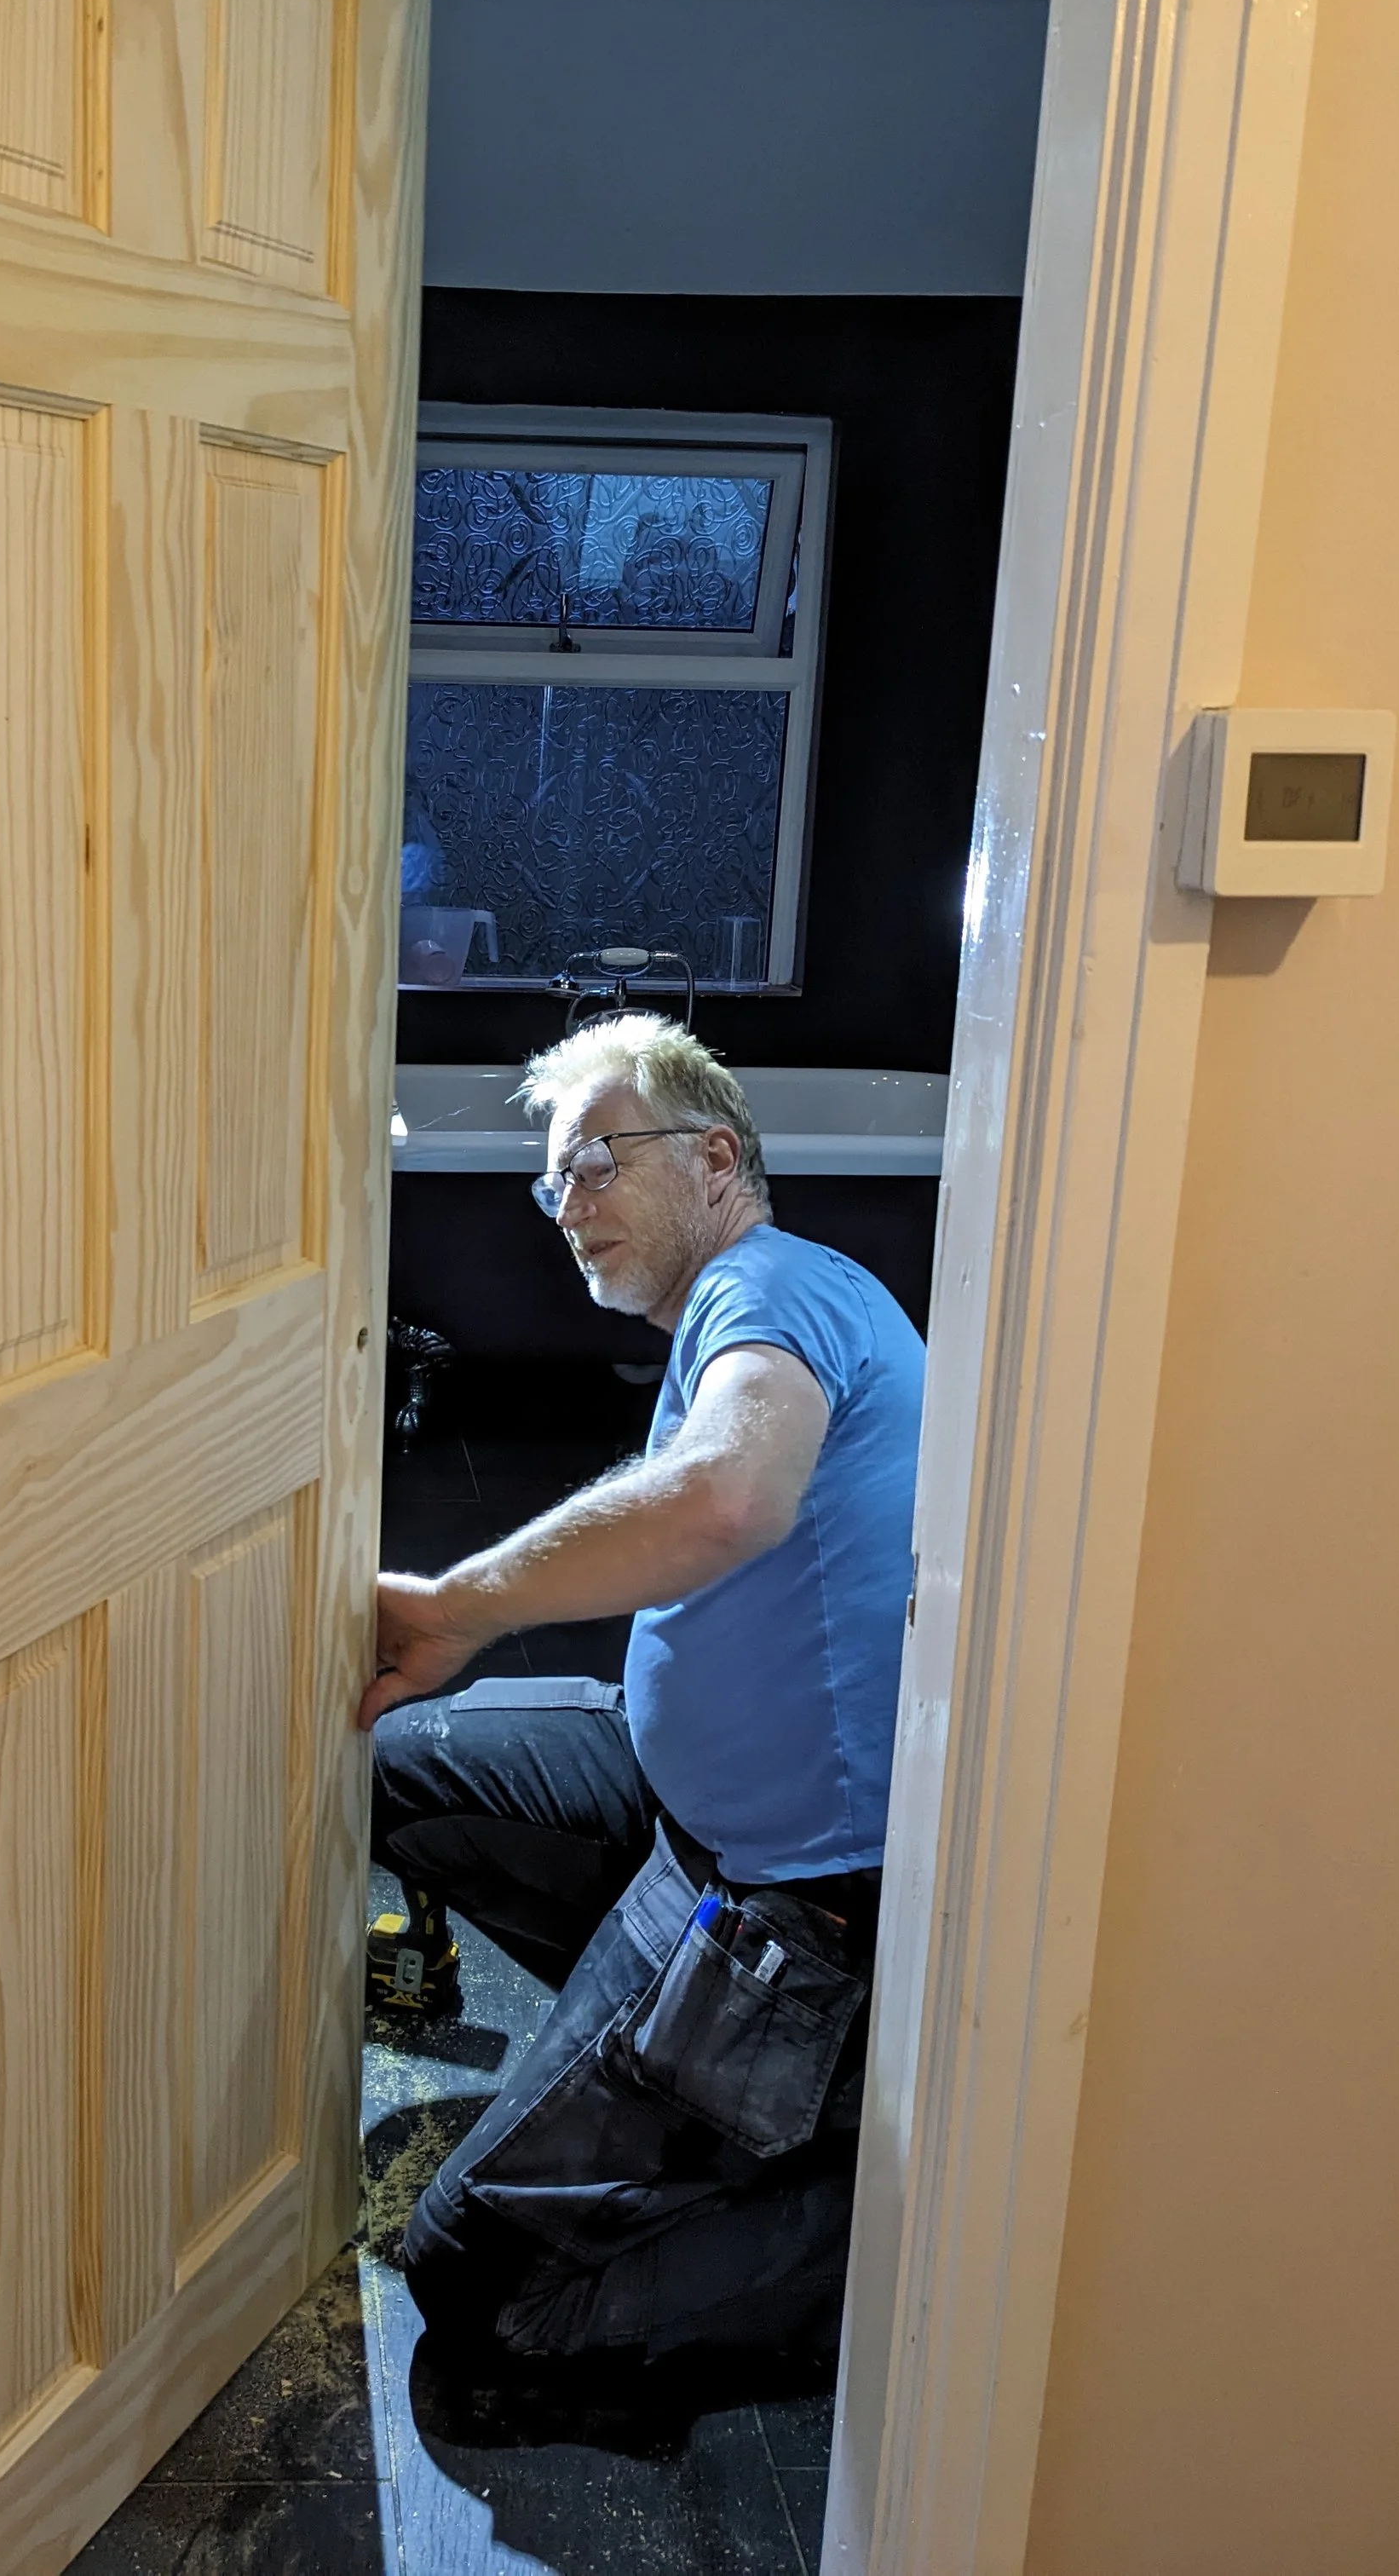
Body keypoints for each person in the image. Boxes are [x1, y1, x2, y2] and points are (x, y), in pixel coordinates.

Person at [360, 1014, 922, 2371]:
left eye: (597, 1163)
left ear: (716, 1156)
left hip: (796, 1908)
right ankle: (661, 2061)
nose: (568, 1207)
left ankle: (879, 2205)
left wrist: (457, 1608)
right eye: (553, 1182)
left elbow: (728, 1493)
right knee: (387, 1761)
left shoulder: (780, 1287)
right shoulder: (746, 1304)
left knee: (483, 2297)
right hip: (681, 1808)